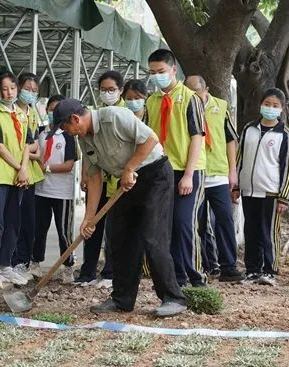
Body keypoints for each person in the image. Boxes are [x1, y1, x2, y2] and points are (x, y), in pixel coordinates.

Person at [50, 98, 187, 316]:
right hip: (126, 184)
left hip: (154, 175)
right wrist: (90, 218)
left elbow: (150, 139)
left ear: (75, 119)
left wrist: (129, 168)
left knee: (153, 236)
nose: (68, 133)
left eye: (66, 128)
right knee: (120, 236)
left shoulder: (114, 116)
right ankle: (122, 298)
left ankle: (174, 298)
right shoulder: (85, 138)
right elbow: (94, 177)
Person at [146, 49, 207, 287]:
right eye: (152, 73)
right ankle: (176, 278)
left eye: (161, 71)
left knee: (185, 224)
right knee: (166, 225)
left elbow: (197, 137)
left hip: (188, 170)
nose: (157, 76)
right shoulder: (152, 101)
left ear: (173, 70)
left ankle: (196, 276)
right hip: (162, 171)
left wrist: (189, 175)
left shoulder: (190, 98)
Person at [185, 75, 244, 282]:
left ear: (206, 89)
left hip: (218, 173)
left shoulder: (221, 107)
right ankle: (203, 265)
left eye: (198, 92)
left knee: (224, 219)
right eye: (190, 93)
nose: (195, 97)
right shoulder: (184, 105)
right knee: (197, 223)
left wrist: (232, 170)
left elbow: (230, 139)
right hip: (195, 173)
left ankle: (229, 266)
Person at [234, 88, 289, 286]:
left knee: (268, 232)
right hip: (248, 189)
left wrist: (284, 197)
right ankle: (252, 269)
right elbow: (239, 158)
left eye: (275, 105)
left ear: (282, 109)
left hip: (271, 191)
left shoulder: (285, 134)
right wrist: (235, 185)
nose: (270, 108)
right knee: (250, 230)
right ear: (261, 105)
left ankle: (269, 270)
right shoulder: (249, 129)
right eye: (267, 104)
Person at [0, 70, 32, 289]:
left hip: (16, 175)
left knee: (13, 222)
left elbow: (27, 144)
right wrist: (21, 168)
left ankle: (5, 265)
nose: (9, 92)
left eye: (12, 88)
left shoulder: (22, 114)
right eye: (4, 89)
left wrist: (24, 169)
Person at [75, 70, 125, 288]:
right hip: (99, 178)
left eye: (111, 89)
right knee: (91, 221)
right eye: (103, 90)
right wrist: (86, 173)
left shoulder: (123, 114)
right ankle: (88, 271)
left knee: (114, 228)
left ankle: (110, 271)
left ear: (120, 90)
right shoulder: (95, 115)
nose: (107, 93)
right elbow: (89, 150)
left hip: (119, 181)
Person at [30, 95, 77, 283]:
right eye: (51, 109)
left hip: (62, 192)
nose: (53, 113)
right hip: (41, 190)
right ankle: (35, 262)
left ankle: (68, 266)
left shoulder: (68, 135)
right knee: (38, 229)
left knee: (63, 230)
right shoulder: (40, 133)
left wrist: (46, 168)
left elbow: (68, 165)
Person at [11, 73, 45, 281]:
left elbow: (35, 147)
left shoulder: (32, 114)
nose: (30, 93)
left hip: (29, 174)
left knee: (29, 221)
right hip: (14, 172)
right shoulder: (11, 112)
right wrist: (27, 152)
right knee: (14, 220)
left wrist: (27, 152)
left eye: (34, 90)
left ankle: (23, 260)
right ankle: (12, 261)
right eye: (27, 88)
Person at [122, 79, 152, 278]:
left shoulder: (152, 118)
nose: (133, 102)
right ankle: (133, 267)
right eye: (129, 99)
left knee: (149, 223)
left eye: (137, 98)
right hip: (127, 177)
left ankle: (149, 267)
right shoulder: (122, 120)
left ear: (145, 98)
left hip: (150, 173)